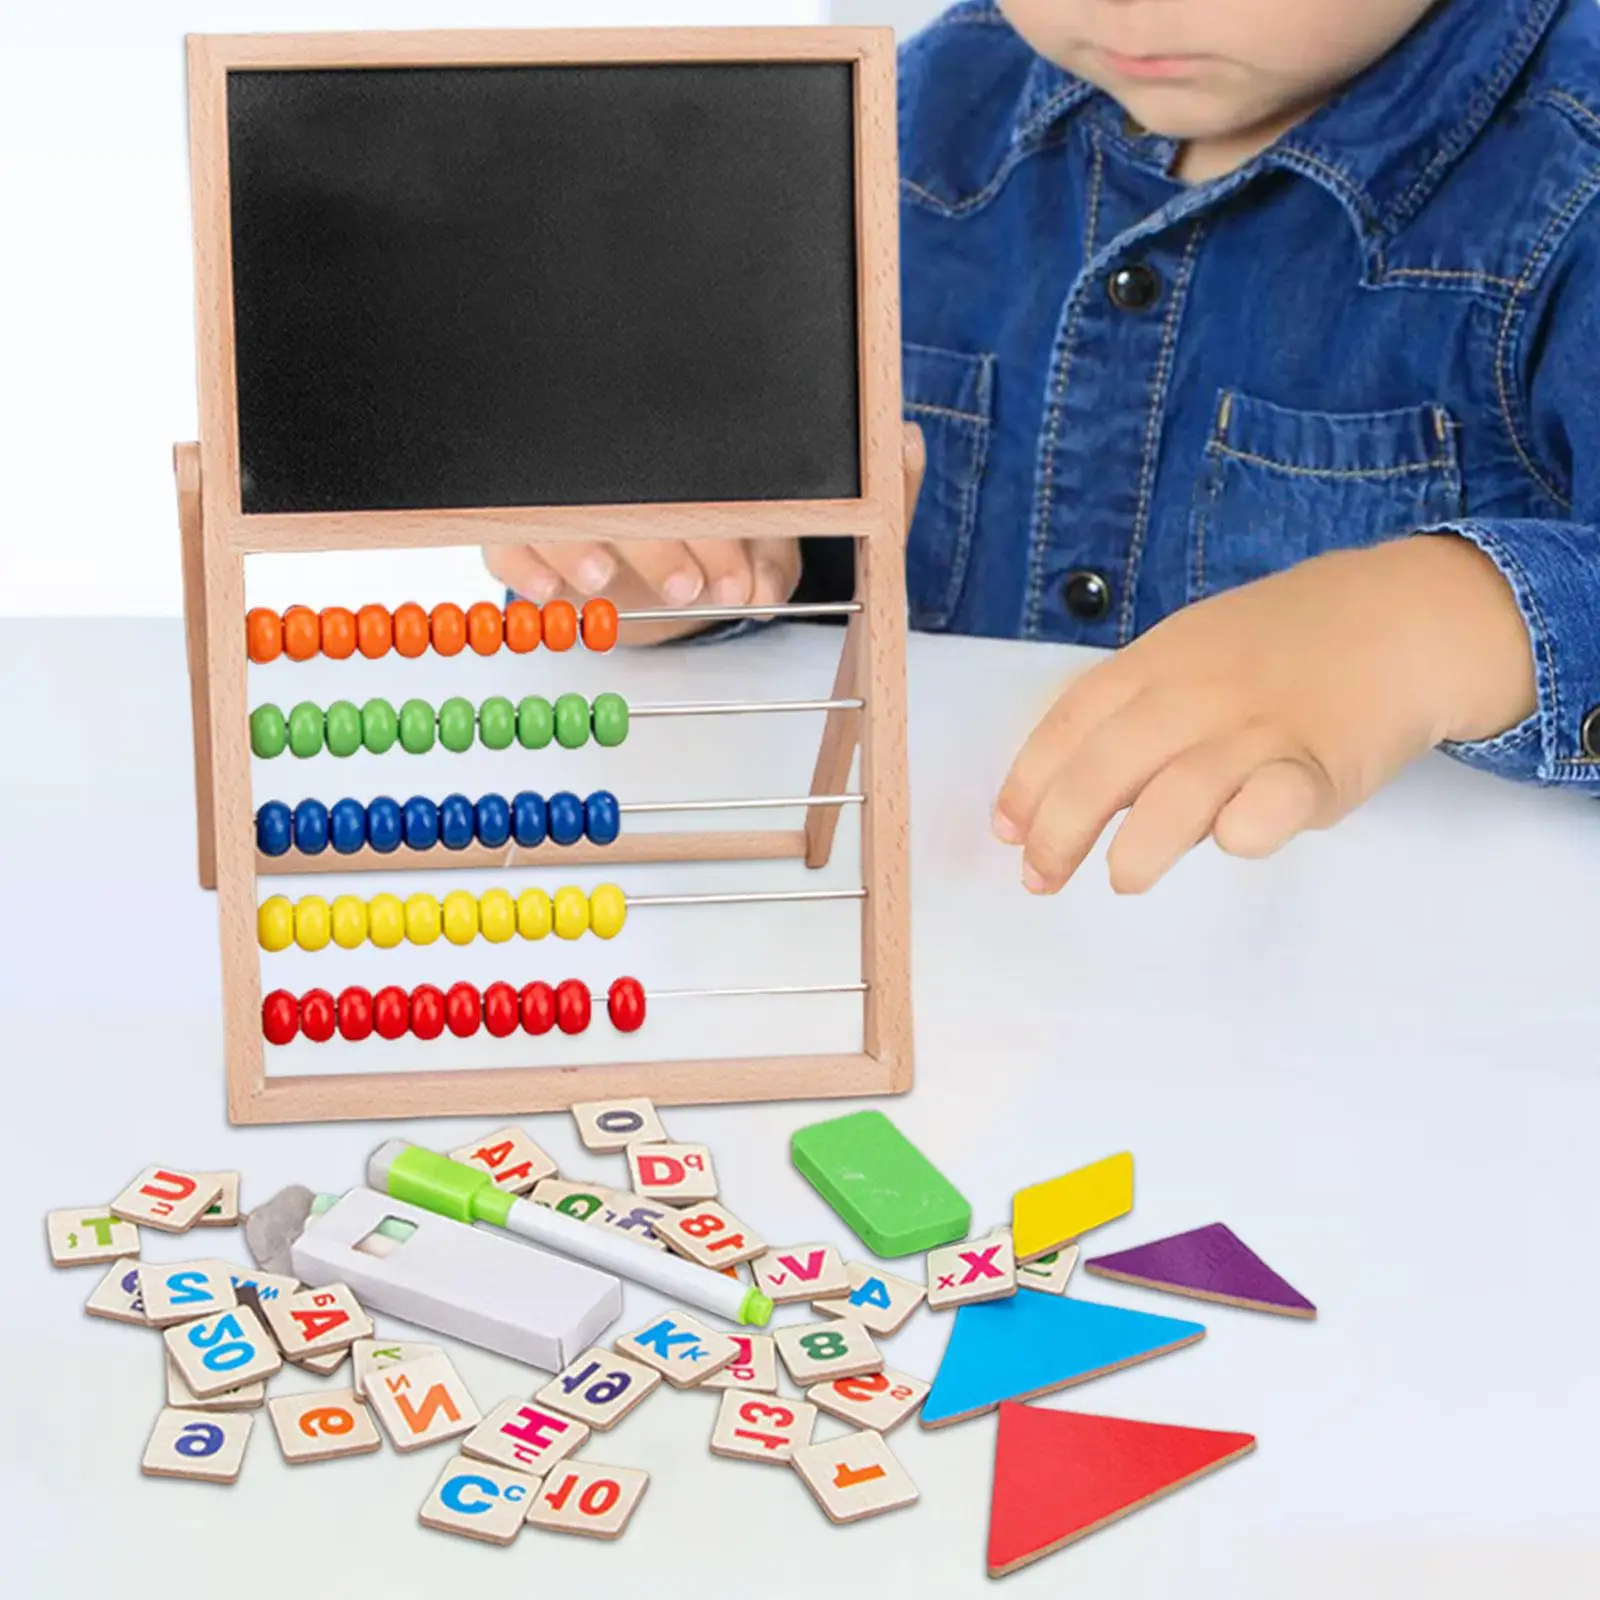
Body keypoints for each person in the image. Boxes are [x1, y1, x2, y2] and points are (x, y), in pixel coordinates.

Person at [486, 0, 1600, 895]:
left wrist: (1429, 628)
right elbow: (821, 537)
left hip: (1396, 1037)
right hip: (984, 976)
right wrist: (703, 565)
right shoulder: (922, 115)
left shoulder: (1572, 167)